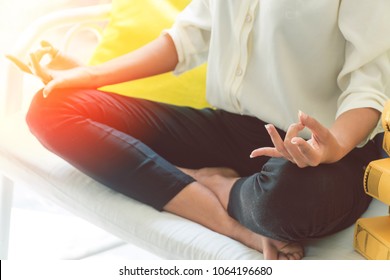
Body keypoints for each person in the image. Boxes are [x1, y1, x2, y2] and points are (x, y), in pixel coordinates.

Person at [23, 0, 390, 260]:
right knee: (51, 108)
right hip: (232, 128)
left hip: (327, 149)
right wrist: (87, 76)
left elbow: (369, 85)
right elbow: (187, 38)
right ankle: (223, 211)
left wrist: (333, 146)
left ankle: (224, 186)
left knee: (290, 203)